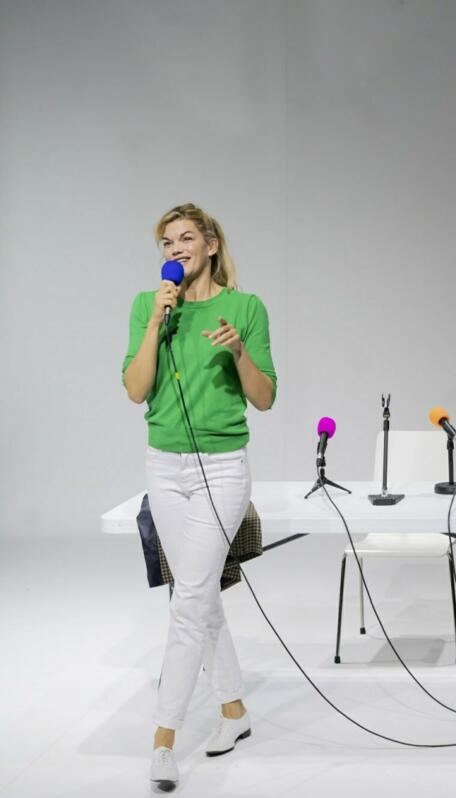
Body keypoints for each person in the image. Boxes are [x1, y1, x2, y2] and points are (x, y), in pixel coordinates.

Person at [122, 203, 277, 790]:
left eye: (186, 238)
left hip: (222, 469)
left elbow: (265, 398)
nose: (175, 249)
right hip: (164, 468)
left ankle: (163, 740)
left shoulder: (246, 308)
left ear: (211, 245)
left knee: (187, 600)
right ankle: (234, 710)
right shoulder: (148, 305)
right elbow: (136, 390)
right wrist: (155, 325)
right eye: (167, 243)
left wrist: (238, 352)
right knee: (198, 595)